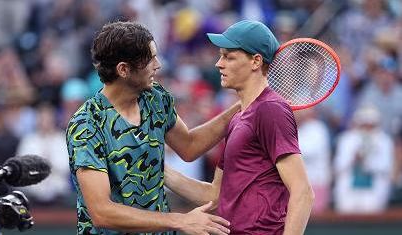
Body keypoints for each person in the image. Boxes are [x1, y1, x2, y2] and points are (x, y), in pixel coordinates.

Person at [66, 21, 239, 235]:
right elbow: (102, 212)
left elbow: (189, 146)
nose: (158, 65)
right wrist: (179, 220)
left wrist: (242, 107)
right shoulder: (86, 124)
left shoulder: (155, 97)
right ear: (124, 69)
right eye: (150, 59)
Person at [165, 20, 314, 235]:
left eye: (228, 56)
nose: (219, 64)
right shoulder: (238, 117)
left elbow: (303, 192)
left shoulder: (270, 109)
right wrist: (161, 171)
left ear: (255, 61)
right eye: (220, 56)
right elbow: (215, 195)